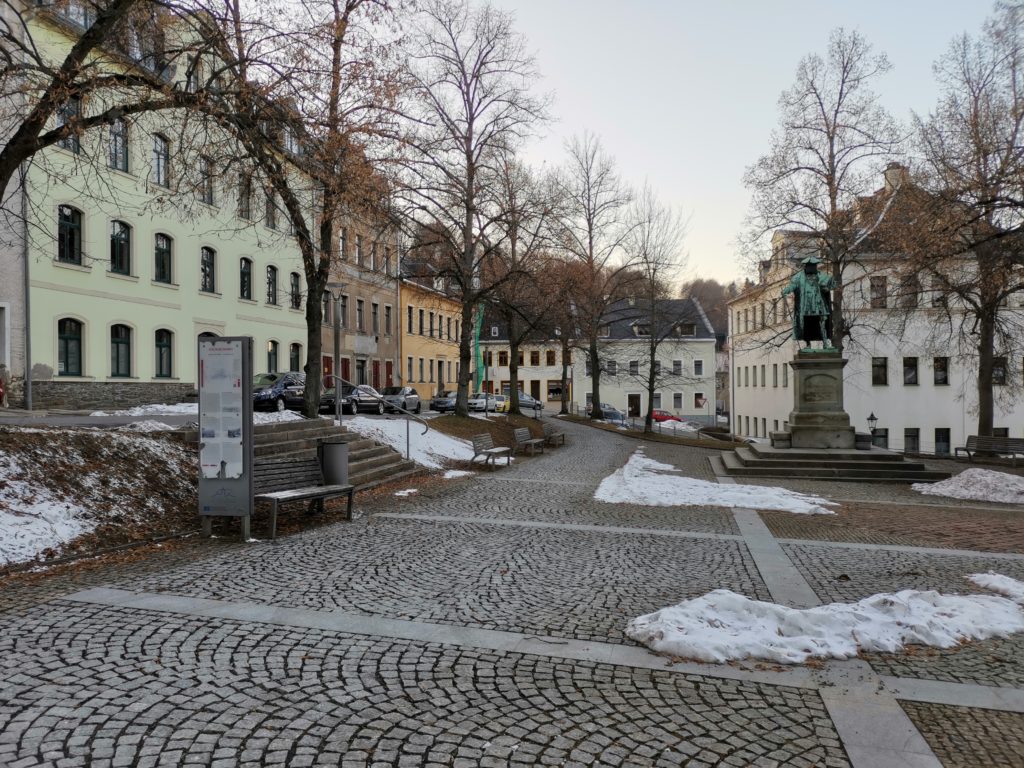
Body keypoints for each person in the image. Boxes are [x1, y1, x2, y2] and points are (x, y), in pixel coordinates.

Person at [781, 256, 836, 349]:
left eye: (814, 266)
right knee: (806, 324)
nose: (812, 268)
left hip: (818, 303)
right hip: (806, 305)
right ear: (806, 266)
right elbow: (792, 286)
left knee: (822, 322)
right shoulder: (798, 277)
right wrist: (786, 290)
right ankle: (808, 344)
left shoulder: (820, 275)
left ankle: (825, 343)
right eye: (810, 266)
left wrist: (827, 287)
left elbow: (830, 284)